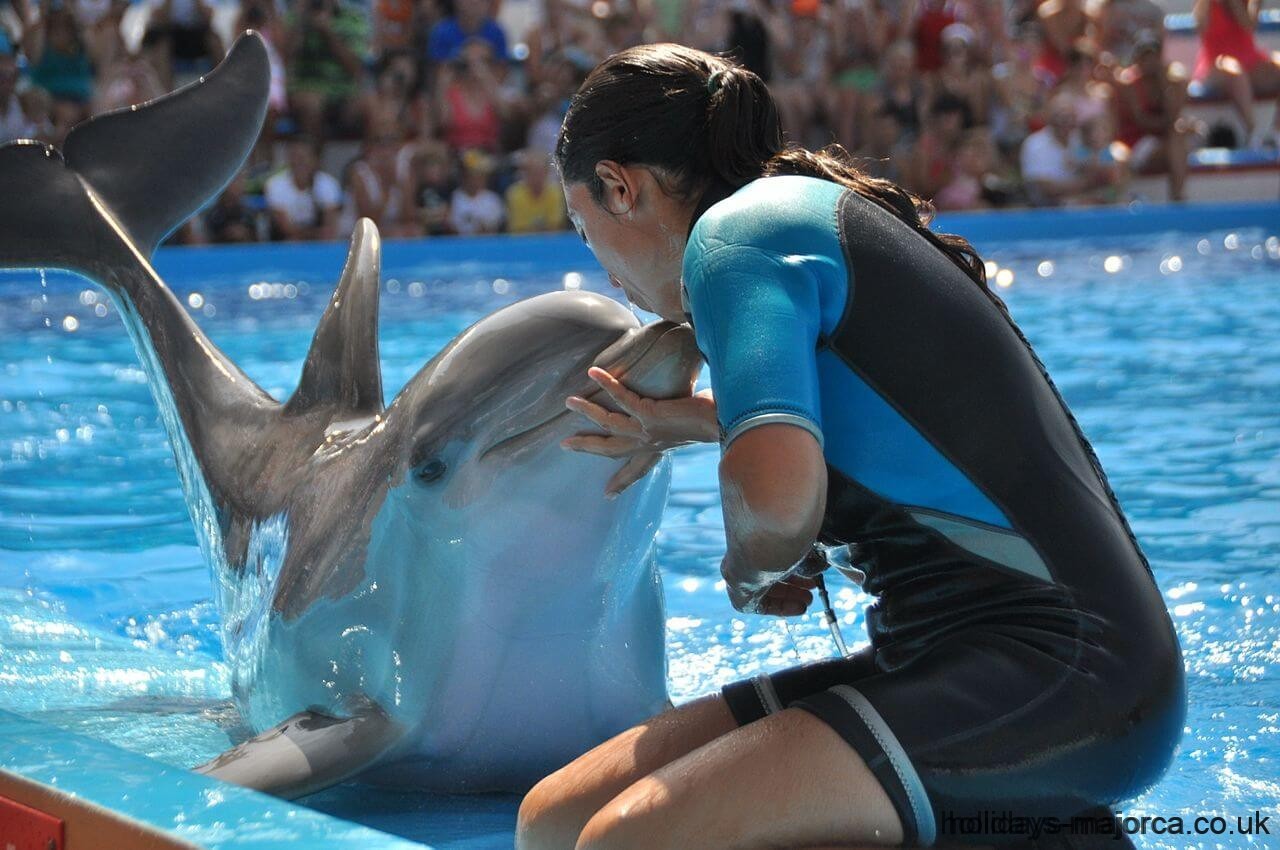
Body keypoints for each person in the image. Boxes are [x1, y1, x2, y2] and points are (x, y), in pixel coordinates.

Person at [515, 44, 1184, 850]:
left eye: (586, 230)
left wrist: (753, 568)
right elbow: (858, 419)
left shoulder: (731, 242)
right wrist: (676, 422)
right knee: (551, 821)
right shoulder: (783, 213)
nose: (606, 273)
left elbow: (776, 511)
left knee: (625, 843)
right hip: (956, 660)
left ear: (621, 187)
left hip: (1062, 672)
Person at [1191, 0, 1280, 148]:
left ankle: (1276, 132)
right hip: (1215, 63)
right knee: (1236, 73)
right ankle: (1254, 133)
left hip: (1250, 59)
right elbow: (1201, 27)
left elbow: (1248, 25)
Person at [264, 135, 342, 241]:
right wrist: (315, 233)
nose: (299, 162)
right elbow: (286, 229)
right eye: (295, 156)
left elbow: (330, 227)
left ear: (315, 159)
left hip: (320, 243)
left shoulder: (329, 184)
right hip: (285, 244)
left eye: (304, 157)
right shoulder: (274, 185)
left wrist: (317, 234)